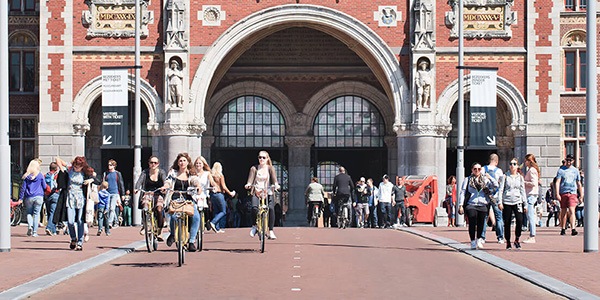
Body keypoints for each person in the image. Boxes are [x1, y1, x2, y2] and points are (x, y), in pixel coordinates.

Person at [164, 153, 201, 251]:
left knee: (196, 217)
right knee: (173, 216)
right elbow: (168, 181)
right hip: (176, 199)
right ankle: (172, 234)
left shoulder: (191, 173)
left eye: (184, 160)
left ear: (188, 162)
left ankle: (191, 241)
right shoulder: (173, 173)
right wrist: (166, 187)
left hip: (188, 200)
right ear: (177, 162)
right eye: (180, 161)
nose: (182, 163)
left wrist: (197, 187)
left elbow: (195, 181)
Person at [458, 162, 498, 250]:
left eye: (479, 169)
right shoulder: (468, 179)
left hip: (482, 203)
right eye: (475, 169)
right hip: (471, 204)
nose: (477, 171)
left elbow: (496, 186)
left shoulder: (485, 180)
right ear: (472, 170)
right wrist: (461, 204)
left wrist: (490, 177)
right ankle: (472, 241)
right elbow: (463, 192)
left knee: (481, 223)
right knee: (472, 221)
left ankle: (479, 239)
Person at [65, 156, 100, 250]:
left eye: (78, 166)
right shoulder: (69, 170)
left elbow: (98, 180)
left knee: (80, 221)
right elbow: (58, 161)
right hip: (70, 197)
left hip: (81, 198)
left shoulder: (85, 173)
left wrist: (91, 180)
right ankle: (73, 238)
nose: (76, 168)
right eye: (75, 166)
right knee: (70, 221)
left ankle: (80, 242)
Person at [245, 150, 280, 239]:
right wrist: (248, 184)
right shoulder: (254, 168)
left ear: (267, 159)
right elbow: (250, 179)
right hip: (256, 190)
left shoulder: (270, 168)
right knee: (254, 208)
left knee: (271, 209)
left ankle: (271, 230)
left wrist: (276, 184)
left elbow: (274, 179)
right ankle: (254, 226)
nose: (261, 159)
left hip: (268, 191)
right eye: (260, 157)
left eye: (263, 157)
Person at [135, 155, 169, 241]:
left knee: (159, 209)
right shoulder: (145, 172)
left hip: (158, 193)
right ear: (149, 163)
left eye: (155, 163)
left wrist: (164, 187)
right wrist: (137, 188)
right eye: (151, 162)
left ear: (158, 164)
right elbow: (139, 181)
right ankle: (145, 225)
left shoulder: (161, 172)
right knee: (145, 207)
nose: (153, 164)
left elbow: (165, 180)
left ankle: (160, 230)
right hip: (147, 193)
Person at [498, 158, 527, 250]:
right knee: (507, 222)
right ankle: (508, 242)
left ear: (517, 166)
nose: (512, 166)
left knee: (520, 220)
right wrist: (500, 202)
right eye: (510, 164)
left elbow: (523, 190)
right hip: (507, 201)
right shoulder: (505, 176)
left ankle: (517, 239)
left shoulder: (520, 177)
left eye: (514, 164)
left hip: (517, 200)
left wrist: (525, 204)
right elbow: (501, 189)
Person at [555, 154, 583, 236]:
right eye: (567, 160)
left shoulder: (575, 171)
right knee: (563, 210)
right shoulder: (561, 170)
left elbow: (578, 183)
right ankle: (563, 228)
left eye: (570, 160)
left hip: (572, 193)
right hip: (563, 192)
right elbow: (557, 182)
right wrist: (557, 193)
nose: (569, 162)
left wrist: (581, 195)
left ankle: (573, 228)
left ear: (573, 161)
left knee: (572, 210)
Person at [19, 159, 47, 237]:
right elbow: (44, 186)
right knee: (36, 214)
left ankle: (30, 226)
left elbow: (23, 188)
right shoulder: (40, 175)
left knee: (29, 213)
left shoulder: (26, 176)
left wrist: (20, 198)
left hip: (29, 197)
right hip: (39, 196)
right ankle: (34, 232)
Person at [482, 153, 504, 244]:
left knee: (484, 217)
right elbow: (501, 185)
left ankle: (482, 237)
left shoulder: (483, 169)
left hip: (485, 196)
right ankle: (500, 237)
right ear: (496, 161)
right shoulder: (499, 171)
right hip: (495, 196)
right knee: (498, 217)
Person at [209, 161, 235, 233]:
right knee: (223, 211)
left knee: (216, 211)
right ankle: (213, 222)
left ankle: (217, 228)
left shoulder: (211, 176)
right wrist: (230, 193)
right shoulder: (220, 176)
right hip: (219, 194)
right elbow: (223, 186)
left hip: (212, 195)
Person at [522, 153, 540, 244]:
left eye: (526, 161)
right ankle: (531, 235)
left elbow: (533, 183)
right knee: (530, 215)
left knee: (530, 215)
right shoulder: (532, 170)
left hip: (531, 194)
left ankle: (532, 235)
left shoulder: (532, 170)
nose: (525, 162)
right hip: (531, 194)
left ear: (529, 161)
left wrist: (523, 182)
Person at [103, 159, 125, 229]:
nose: (109, 166)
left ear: (114, 166)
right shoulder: (105, 173)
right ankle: (116, 221)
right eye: (109, 165)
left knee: (112, 208)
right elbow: (103, 182)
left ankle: (110, 222)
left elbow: (121, 183)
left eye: (111, 165)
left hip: (115, 192)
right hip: (107, 192)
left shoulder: (117, 173)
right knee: (109, 208)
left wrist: (123, 194)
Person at [44, 162, 60, 235]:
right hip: (55, 194)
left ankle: (53, 231)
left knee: (49, 212)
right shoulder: (57, 176)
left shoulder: (45, 175)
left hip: (47, 195)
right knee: (53, 213)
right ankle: (49, 227)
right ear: (56, 168)